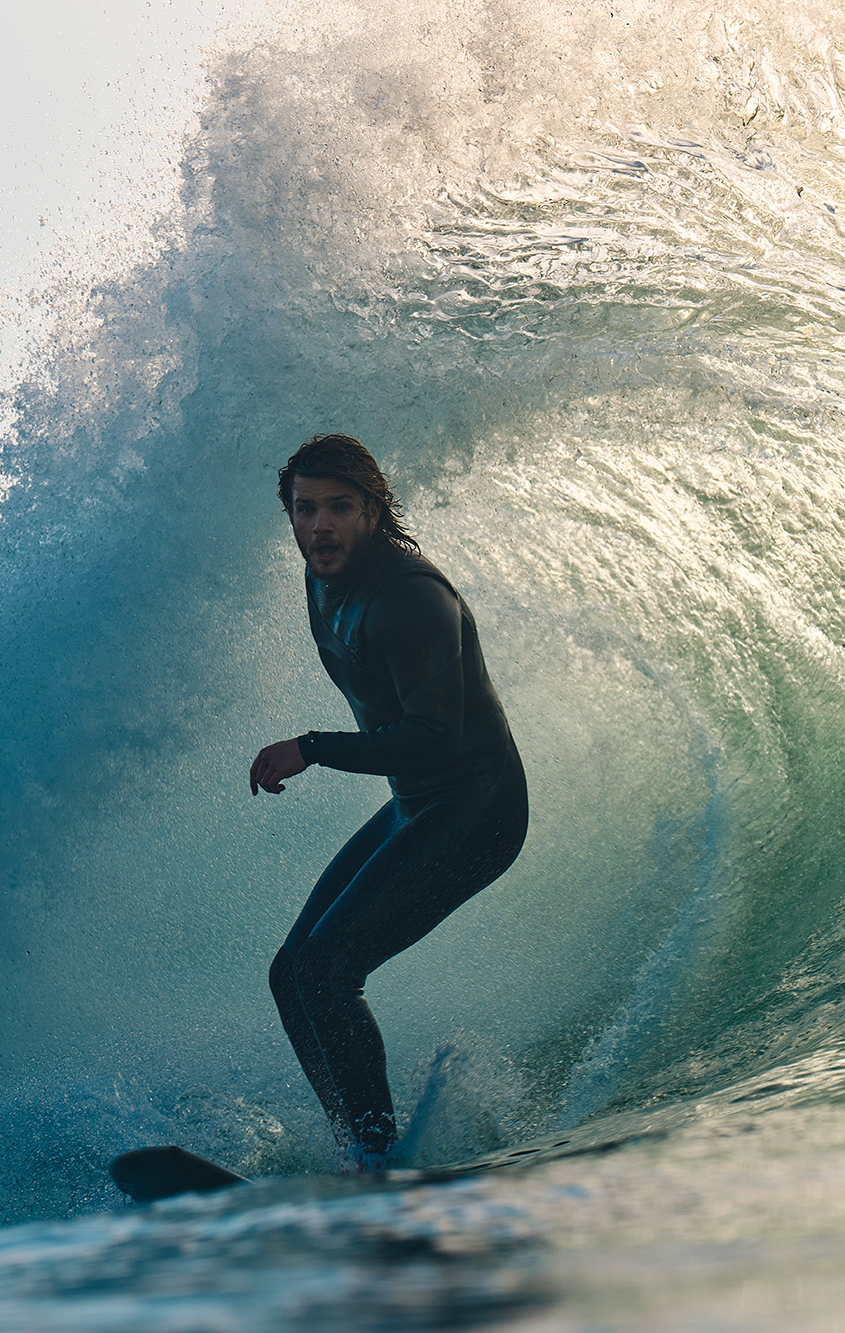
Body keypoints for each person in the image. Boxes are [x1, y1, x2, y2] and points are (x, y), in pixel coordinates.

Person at [250, 433, 529, 1172]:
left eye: (340, 508)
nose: (320, 526)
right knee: (292, 973)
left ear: (373, 512)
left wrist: (311, 748)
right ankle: (356, 1142)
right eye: (305, 509)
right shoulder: (322, 577)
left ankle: (376, 1156)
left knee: (327, 970)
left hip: (476, 811)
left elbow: (435, 739)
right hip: (420, 802)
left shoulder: (411, 599)